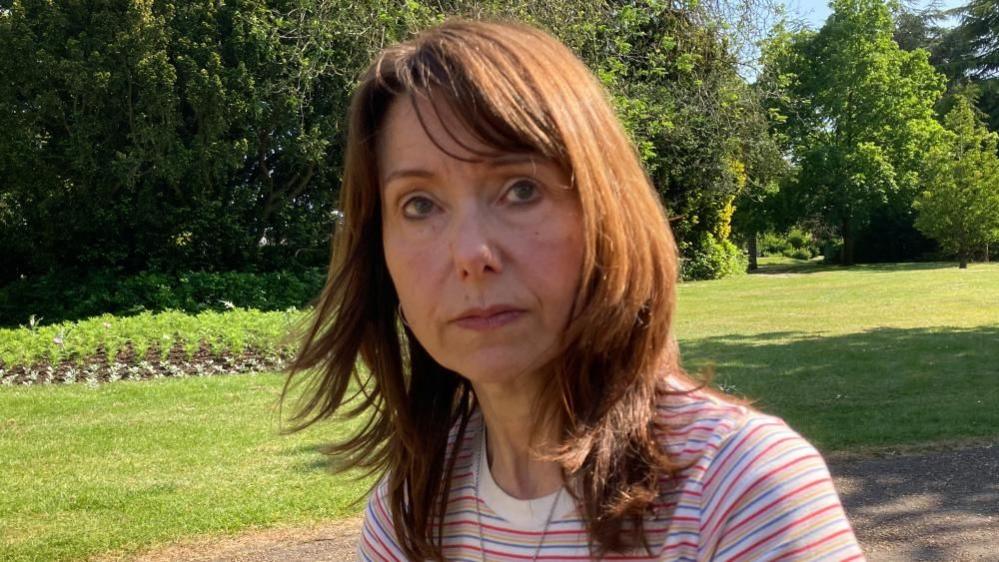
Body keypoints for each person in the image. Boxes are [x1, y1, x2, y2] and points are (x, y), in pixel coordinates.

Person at [281, 19, 864, 562]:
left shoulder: (739, 490)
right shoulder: (409, 512)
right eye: (419, 205)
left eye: (520, 190)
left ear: (604, 217)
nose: (470, 254)